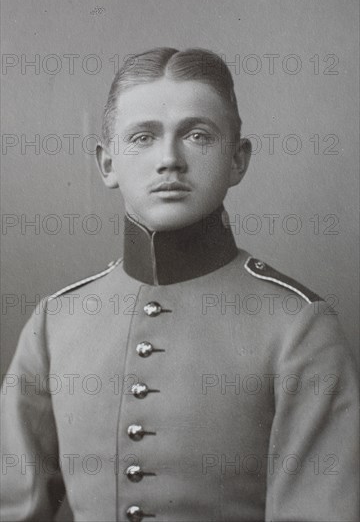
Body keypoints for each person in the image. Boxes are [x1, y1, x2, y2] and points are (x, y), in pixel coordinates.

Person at [1, 47, 358, 522]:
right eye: (143, 137)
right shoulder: (57, 321)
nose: (169, 160)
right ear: (107, 164)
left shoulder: (297, 325)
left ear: (237, 160)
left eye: (196, 135)